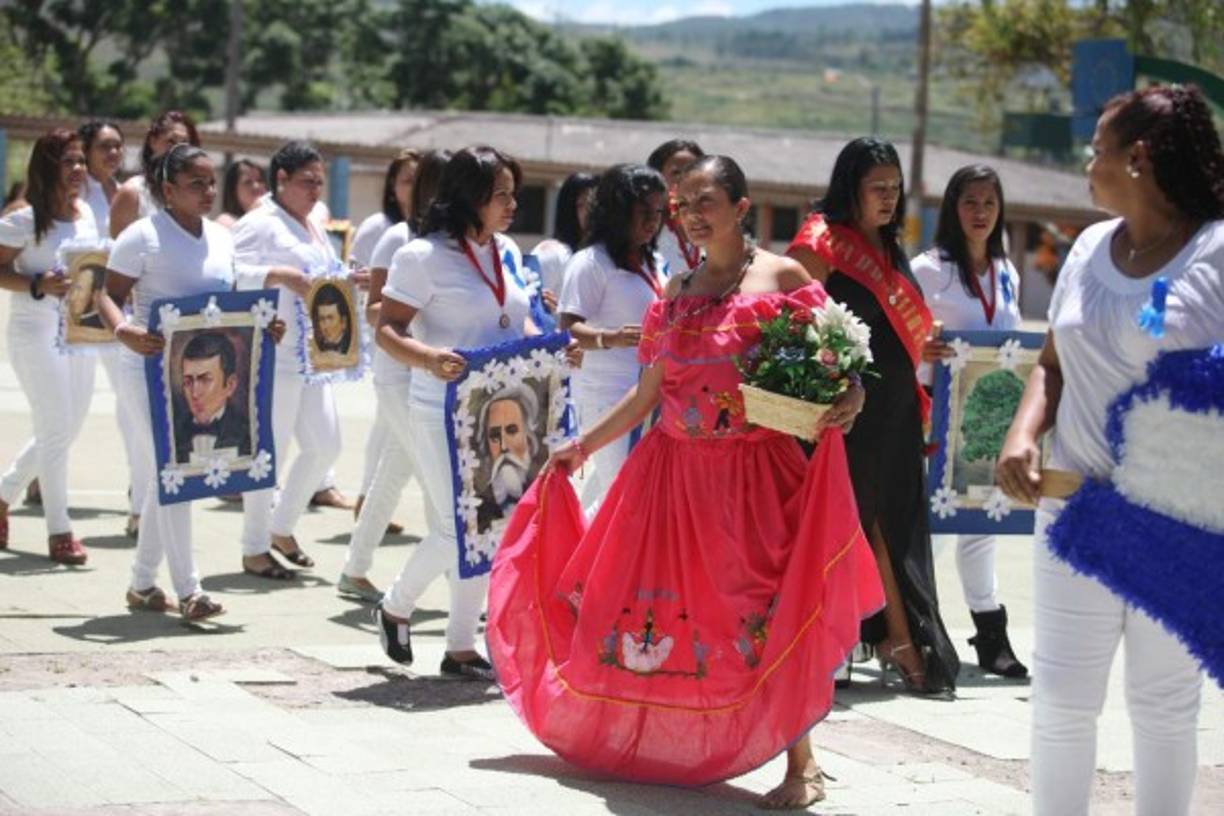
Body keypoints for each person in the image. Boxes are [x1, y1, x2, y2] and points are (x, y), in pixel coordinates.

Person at [486, 155, 881, 808]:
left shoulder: (782, 276)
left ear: (741, 207)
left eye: (707, 202)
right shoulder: (673, 293)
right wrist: (582, 444)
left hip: (758, 478)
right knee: (669, 614)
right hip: (671, 480)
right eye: (683, 205)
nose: (693, 216)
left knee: (764, 613)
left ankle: (801, 762)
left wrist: (854, 394)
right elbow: (648, 396)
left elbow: (839, 364)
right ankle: (655, 737)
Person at [995, 84, 1223, 816]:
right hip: (1071, 512)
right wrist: (1022, 432)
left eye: (1096, 152)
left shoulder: (1216, 252)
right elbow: (1053, 364)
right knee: (1060, 704)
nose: (1087, 167)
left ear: (1140, 157)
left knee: (1161, 708)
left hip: (1174, 525)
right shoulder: (1089, 247)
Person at [787, 137, 959, 695]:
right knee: (850, 520)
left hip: (897, 407)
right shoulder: (821, 242)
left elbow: (895, 328)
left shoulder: (889, 248)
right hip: (846, 408)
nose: (889, 199)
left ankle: (900, 638)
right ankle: (840, 640)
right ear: (850, 189)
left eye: (895, 189)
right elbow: (793, 323)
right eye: (877, 189)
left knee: (896, 517)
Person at [99, 143, 291, 620]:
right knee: (176, 472)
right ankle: (190, 590)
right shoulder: (141, 237)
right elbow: (108, 295)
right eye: (196, 184)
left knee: (172, 476)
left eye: (211, 182)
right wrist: (123, 329)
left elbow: (227, 305)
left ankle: (143, 584)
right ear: (167, 189)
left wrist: (262, 327)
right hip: (147, 373)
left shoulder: (221, 238)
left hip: (199, 374)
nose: (208, 191)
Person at [371, 145, 534, 680]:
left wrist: (549, 346)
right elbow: (388, 328)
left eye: (514, 192)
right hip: (440, 406)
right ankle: (396, 606)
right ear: (470, 198)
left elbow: (513, 322)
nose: (512, 204)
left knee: (486, 526)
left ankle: (460, 646)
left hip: (496, 407)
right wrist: (428, 358)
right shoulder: (421, 256)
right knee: (456, 528)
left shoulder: (504, 249)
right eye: (501, 194)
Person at [911, 164, 1027, 679]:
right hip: (936, 414)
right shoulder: (927, 269)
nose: (980, 213)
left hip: (991, 417)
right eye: (970, 202)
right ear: (952, 208)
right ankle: (915, 630)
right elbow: (896, 337)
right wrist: (921, 346)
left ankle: (990, 635)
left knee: (983, 525)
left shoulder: (1007, 271)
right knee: (932, 529)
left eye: (989, 203)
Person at [339, 149, 451, 602]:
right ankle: (457, 583)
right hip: (398, 375)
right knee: (433, 477)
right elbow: (373, 311)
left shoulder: (449, 243)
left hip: (427, 377)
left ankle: (354, 568)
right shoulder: (397, 238)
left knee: (396, 469)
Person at [233, 140, 338, 580]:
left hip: (314, 353)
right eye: (306, 181)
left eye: (319, 181)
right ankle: (254, 547)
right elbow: (232, 276)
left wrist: (353, 277)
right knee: (266, 452)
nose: (315, 190)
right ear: (281, 179)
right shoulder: (260, 223)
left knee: (326, 444)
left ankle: (280, 527)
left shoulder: (314, 222)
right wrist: (278, 276)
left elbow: (325, 273)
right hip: (270, 351)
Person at [0, 129, 99, 564]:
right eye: (69, 162)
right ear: (47, 167)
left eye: (81, 161)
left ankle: (2, 495)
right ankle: (60, 531)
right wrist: (38, 284)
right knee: (56, 425)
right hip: (32, 330)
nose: (79, 169)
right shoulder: (23, 218)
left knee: (66, 428)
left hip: (79, 334)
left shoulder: (86, 216)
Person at [558, 164, 668, 512]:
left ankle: (578, 562)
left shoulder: (654, 261)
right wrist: (610, 338)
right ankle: (580, 565)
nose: (653, 222)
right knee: (625, 499)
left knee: (624, 500)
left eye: (658, 212)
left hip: (649, 396)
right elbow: (567, 329)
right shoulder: (590, 262)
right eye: (643, 212)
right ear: (619, 212)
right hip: (606, 398)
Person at [78, 118, 150, 539]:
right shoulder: (77, 193)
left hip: (118, 315)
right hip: (80, 316)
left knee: (131, 413)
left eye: (118, 146)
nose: (112, 154)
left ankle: (138, 503)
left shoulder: (119, 189)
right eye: (104, 146)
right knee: (68, 412)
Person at [109, 110, 200, 238]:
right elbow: (117, 251)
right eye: (171, 142)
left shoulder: (194, 196)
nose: (178, 149)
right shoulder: (133, 193)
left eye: (184, 143)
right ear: (153, 142)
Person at [172, 331, 252, 464]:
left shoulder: (247, 432)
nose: (194, 393)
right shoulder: (173, 432)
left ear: (230, 385)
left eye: (205, 380)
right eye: (188, 381)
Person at [473, 386, 542, 532]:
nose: (503, 446)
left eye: (512, 431)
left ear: (528, 439)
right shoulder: (478, 505)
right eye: (494, 436)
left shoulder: (544, 491)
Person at [531, 171, 597, 308]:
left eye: (596, 203)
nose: (592, 211)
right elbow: (528, 309)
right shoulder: (551, 253)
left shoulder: (601, 256)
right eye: (582, 204)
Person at [647, 138, 705, 275]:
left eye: (692, 171)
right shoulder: (645, 233)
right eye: (676, 173)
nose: (685, 179)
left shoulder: (714, 233)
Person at [216, 159, 267, 229]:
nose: (256, 186)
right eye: (248, 182)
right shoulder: (226, 221)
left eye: (260, 180)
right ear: (233, 189)